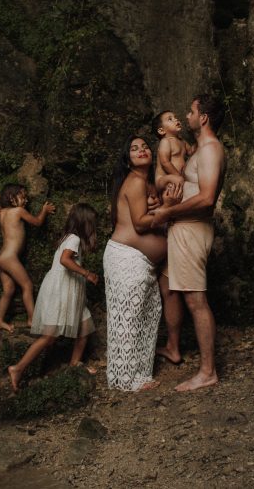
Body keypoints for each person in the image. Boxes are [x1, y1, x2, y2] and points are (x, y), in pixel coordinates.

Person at [152, 93, 227, 392]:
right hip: (182, 229)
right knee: (167, 284)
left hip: (192, 230)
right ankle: (173, 347)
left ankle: (208, 371)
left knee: (196, 301)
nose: (188, 116)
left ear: (204, 117)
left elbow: (207, 198)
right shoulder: (199, 149)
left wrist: (168, 211)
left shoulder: (210, 150)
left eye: (192, 111)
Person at [104, 136, 177, 391]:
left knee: (145, 315)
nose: (141, 150)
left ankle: (138, 374)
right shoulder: (135, 182)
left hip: (138, 261)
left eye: (145, 146)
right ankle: (125, 380)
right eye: (134, 148)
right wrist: (166, 209)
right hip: (126, 258)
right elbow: (139, 223)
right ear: (128, 159)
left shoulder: (144, 182)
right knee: (128, 318)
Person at [7, 203, 100, 391]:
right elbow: (64, 260)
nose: (94, 226)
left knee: (85, 327)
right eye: (92, 223)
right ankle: (17, 368)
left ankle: (74, 365)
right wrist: (86, 273)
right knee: (49, 337)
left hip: (69, 291)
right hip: (61, 291)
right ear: (84, 222)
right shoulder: (73, 238)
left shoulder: (71, 237)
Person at [0, 184, 55, 333]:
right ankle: (32, 319)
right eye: (22, 196)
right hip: (9, 258)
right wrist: (44, 211)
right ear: (12, 199)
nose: (25, 200)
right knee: (27, 285)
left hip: (1, 258)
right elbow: (38, 222)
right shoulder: (19, 211)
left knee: (9, 289)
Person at [151, 110, 193, 192]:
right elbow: (165, 163)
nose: (176, 120)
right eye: (170, 119)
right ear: (161, 130)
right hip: (163, 179)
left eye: (176, 117)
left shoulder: (182, 141)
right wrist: (177, 175)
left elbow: (192, 152)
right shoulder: (165, 142)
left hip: (177, 177)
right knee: (180, 182)